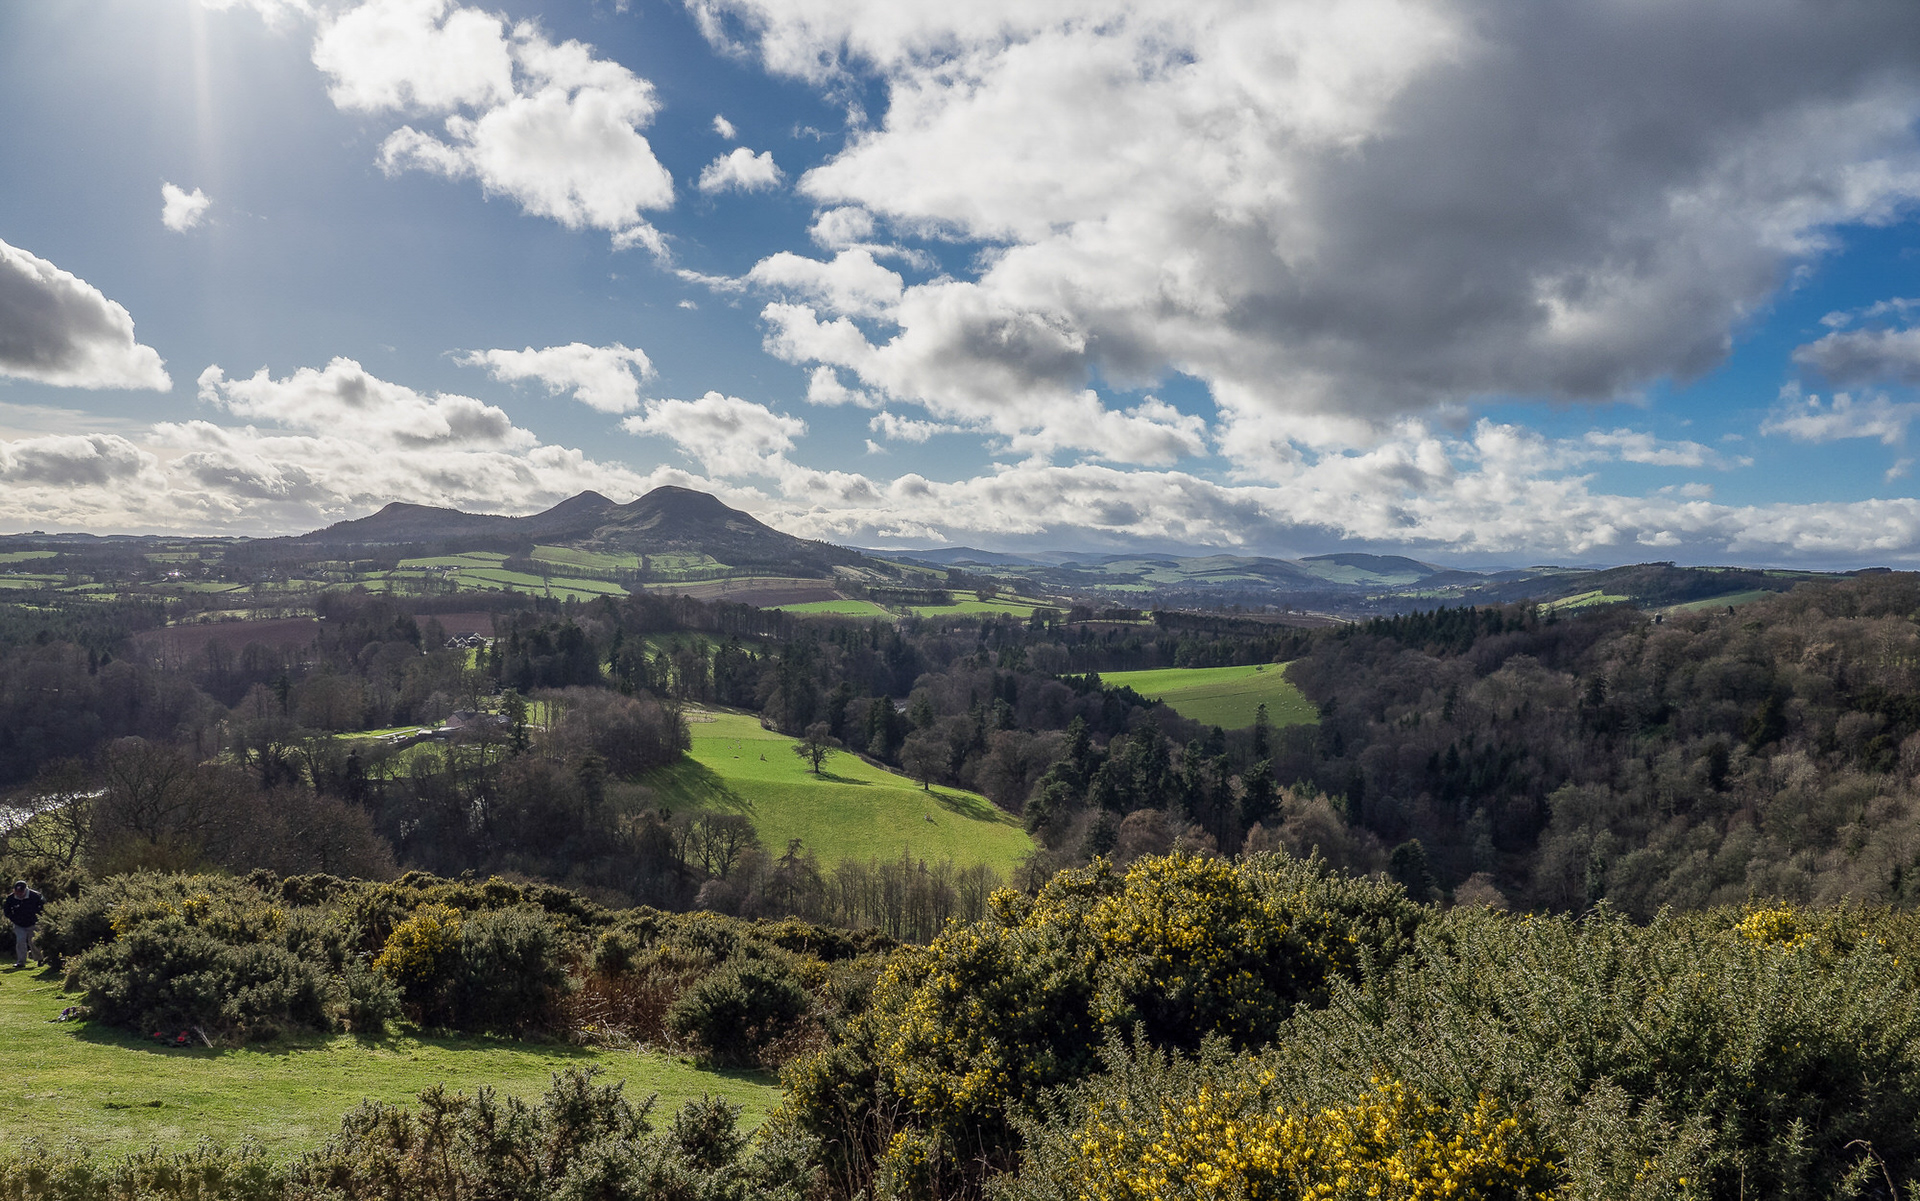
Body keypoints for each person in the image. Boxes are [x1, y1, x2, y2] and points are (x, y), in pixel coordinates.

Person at [5, 880, 44, 970]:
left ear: (25, 890)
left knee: (33, 942)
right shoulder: (11, 898)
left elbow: (43, 906)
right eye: (17, 892)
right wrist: (13, 918)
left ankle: (40, 959)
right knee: (20, 941)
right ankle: (21, 962)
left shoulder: (35, 896)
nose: (19, 894)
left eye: (21, 892)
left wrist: (39, 918)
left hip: (33, 923)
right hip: (19, 924)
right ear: (14, 890)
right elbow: (7, 910)